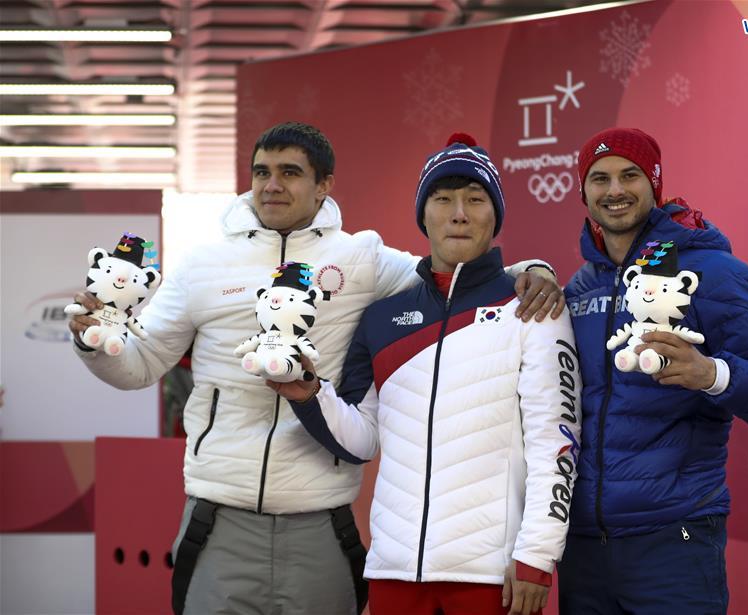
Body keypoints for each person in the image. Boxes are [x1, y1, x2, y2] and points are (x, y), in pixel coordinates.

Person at [66, 122, 565, 615]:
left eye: (290, 172)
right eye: (261, 171)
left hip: (320, 517)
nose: (272, 185)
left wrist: (531, 271)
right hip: (220, 512)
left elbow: (449, 270)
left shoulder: (360, 257)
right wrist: (95, 343)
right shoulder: (203, 264)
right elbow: (140, 365)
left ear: (324, 185)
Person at [271, 134, 582, 615]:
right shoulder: (382, 317)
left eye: (476, 199)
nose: (459, 213)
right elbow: (363, 440)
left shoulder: (534, 307)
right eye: (443, 199)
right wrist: (310, 396)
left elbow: (556, 443)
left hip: (491, 578)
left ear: (494, 216)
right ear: (424, 215)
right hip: (394, 571)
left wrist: (536, 558)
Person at [558, 128, 748, 614]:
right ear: (582, 192)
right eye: (600, 178)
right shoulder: (579, 287)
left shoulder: (712, 271)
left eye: (630, 175)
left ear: (655, 184)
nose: (615, 190)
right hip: (583, 546)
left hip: (674, 537)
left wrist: (711, 374)